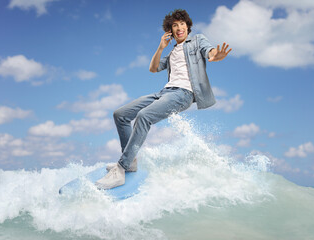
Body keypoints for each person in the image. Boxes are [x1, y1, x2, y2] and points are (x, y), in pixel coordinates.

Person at [95, 9, 232, 189]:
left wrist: (215, 56)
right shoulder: (172, 52)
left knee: (144, 116)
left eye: (182, 24)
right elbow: (153, 68)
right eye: (175, 25)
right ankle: (131, 161)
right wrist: (161, 48)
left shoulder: (197, 41)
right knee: (120, 114)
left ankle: (120, 169)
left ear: (188, 27)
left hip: (183, 94)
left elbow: (209, 52)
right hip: (164, 92)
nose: (179, 28)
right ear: (170, 31)